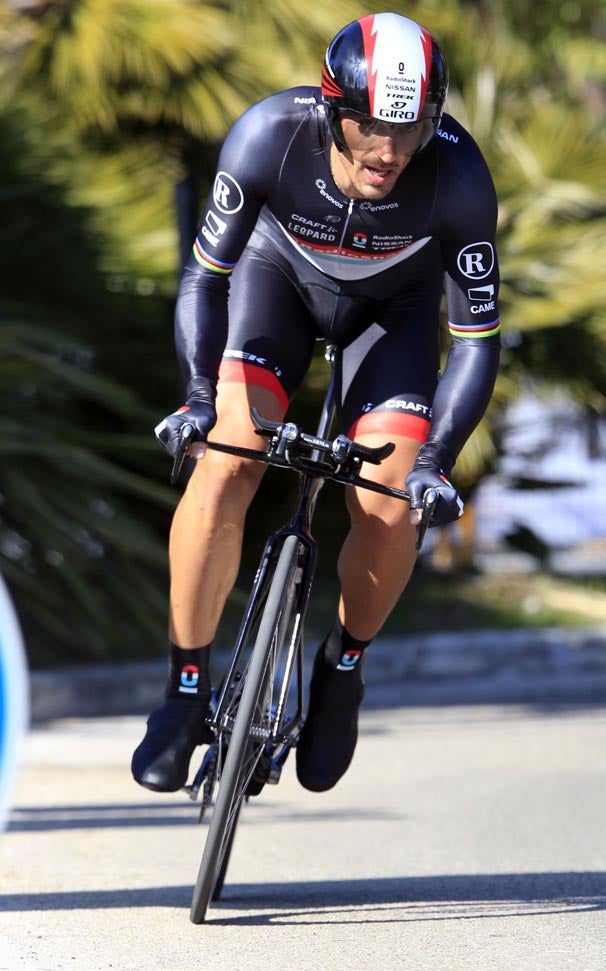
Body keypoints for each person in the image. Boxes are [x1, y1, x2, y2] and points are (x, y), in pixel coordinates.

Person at [132, 11, 501, 795]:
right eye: (370, 125)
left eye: (412, 128)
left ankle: (342, 666)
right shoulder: (269, 136)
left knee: (390, 507)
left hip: (391, 318)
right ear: (336, 109)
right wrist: (198, 397)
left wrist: (433, 463)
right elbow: (207, 277)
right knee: (229, 461)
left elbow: (474, 339)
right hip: (280, 289)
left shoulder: (460, 178)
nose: (390, 150)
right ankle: (187, 687)